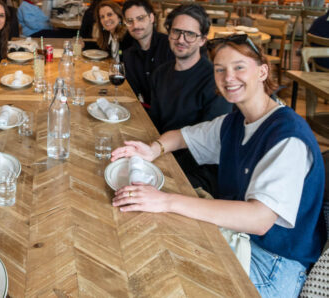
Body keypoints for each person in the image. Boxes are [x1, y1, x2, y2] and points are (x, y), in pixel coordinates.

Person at [111, 34, 326, 298]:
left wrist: (166, 201)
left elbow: (259, 219)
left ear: (262, 71)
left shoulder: (287, 136)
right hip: (242, 240)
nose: (228, 77)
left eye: (239, 67)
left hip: (274, 264)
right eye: (219, 70)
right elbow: (181, 136)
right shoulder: (235, 121)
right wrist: (153, 149)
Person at [148, 4, 232, 195]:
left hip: (200, 170)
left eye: (190, 34)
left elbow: (210, 142)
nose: (181, 39)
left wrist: (163, 166)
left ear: (203, 40)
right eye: (176, 32)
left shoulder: (215, 80)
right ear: (169, 33)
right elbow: (155, 123)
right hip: (163, 153)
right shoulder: (160, 74)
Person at [121, 0, 174, 106]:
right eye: (129, 21)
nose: (135, 25)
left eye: (140, 18)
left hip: (175, 116)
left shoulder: (171, 46)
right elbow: (133, 93)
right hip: (148, 114)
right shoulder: (128, 55)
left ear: (151, 18)